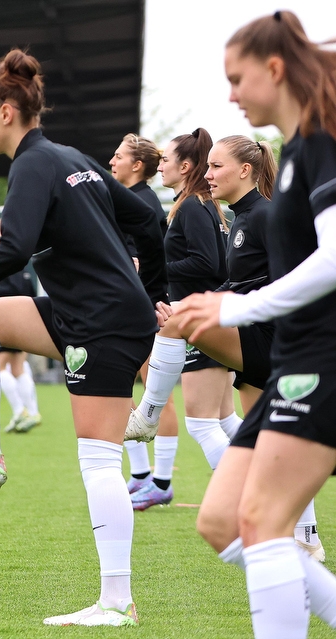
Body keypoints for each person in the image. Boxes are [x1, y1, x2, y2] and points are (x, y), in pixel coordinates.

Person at [0, 48, 166, 627]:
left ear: (7, 111)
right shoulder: (68, 156)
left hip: (102, 320)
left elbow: (14, 250)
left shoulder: (35, 163)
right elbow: (149, 223)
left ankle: (116, 603)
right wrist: (147, 289)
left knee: (99, 460)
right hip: (84, 311)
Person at [176, 12, 336, 639]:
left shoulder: (322, 140)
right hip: (292, 365)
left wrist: (233, 308)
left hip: (323, 359)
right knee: (222, 522)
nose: (231, 95)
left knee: (265, 524)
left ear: (274, 70)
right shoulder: (299, 151)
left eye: (237, 78)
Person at [143, 133, 325, 562]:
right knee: (270, 440)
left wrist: (201, 309)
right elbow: (238, 282)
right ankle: (307, 538)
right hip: (256, 338)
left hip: (270, 338)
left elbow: (289, 281)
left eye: (216, 167)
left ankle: (147, 415)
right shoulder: (240, 218)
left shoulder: (264, 216)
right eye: (207, 167)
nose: (208, 175)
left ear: (246, 170)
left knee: (180, 324)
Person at [125, 128, 233, 511]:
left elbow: (210, 263)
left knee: (202, 425)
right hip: (207, 318)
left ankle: (252, 497)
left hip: (203, 323)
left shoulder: (192, 205)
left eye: (167, 160)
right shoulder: (198, 204)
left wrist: (156, 265)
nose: (162, 165)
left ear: (185, 166)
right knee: (228, 422)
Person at [109, 134, 181, 488]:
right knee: (127, 390)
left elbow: (142, 261)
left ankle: (161, 483)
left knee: (155, 397)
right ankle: (141, 476)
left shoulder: (143, 203)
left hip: (147, 310)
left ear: (137, 165)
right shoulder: (129, 199)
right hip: (135, 309)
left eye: (118, 156)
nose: (111, 161)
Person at [0, 219, 41, 433]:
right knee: (18, 368)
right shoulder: (20, 258)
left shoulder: (2, 255)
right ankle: (32, 412)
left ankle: (19, 410)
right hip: (23, 320)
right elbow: (29, 291)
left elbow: (3, 287)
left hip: (6, 320)